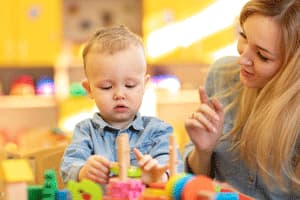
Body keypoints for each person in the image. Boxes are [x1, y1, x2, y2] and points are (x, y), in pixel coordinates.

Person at [183, 0, 300, 199]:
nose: (242, 59)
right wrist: (203, 151)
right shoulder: (221, 75)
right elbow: (192, 183)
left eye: (262, 55)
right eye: (244, 37)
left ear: (292, 67)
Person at [60, 25, 183, 186]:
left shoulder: (158, 130)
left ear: (144, 86)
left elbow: (172, 166)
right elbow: (69, 166)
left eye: (130, 85)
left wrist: (159, 174)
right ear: (89, 89)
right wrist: (83, 171)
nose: (119, 94)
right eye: (106, 87)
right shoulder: (85, 132)